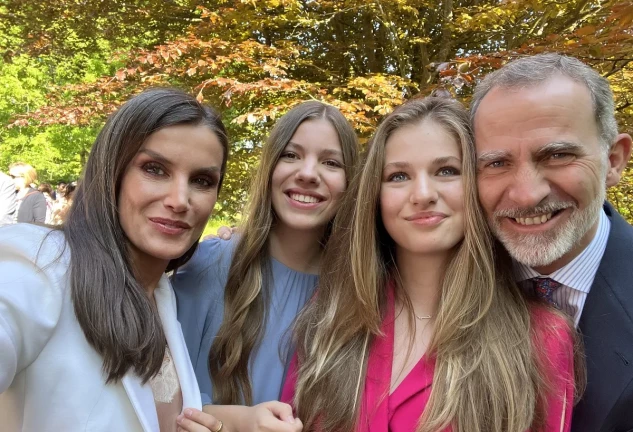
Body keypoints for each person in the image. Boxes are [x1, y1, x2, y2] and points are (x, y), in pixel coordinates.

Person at [282, 97, 580, 432]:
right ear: (375, 196)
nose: (422, 194)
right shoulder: (331, 316)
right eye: (398, 176)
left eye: (446, 171)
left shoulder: (544, 337)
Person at [0, 88, 229, 432]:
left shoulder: (164, 297)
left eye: (201, 180)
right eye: (155, 169)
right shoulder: (40, 264)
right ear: (112, 173)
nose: (181, 200)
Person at [172, 100, 359, 431]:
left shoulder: (359, 292)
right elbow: (160, 394)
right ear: (271, 167)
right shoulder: (210, 265)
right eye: (291, 155)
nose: (307, 173)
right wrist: (238, 421)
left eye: (331, 162)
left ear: (351, 182)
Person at [470, 53, 633, 432]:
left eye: (558, 155)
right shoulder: (441, 285)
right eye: (496, 163)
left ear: (614, 160)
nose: (527, 195)